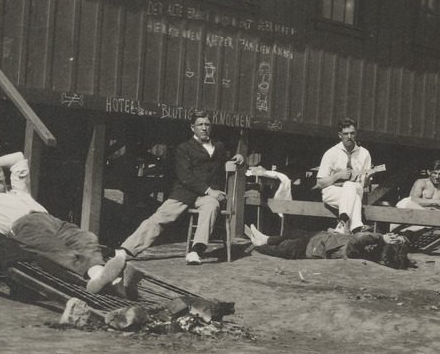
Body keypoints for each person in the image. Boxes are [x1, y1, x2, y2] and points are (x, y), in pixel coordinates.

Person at [0, 152, 129, 295]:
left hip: (52, 221)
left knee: (86, 238)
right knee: (57, 250)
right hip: (24, 227)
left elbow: (18, 157)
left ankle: (100, 276)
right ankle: (100, 278)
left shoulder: (18, 191)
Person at [117, 110, 244, 265]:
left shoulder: (219, 146)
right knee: (161, 217)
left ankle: (196, 250)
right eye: (200, 125)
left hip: (206, 197)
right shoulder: (184, 148)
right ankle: (126, 249)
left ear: (211, 127)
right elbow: (185, 177)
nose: (204, 128)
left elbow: (222, 162)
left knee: (212, 206)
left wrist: (237, 158)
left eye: (207, 124)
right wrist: (210, 191)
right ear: (192, 128)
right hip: (185, 192)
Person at [244, 224, 410, 269]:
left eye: (396, 240)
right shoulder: (374, 246)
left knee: (285, 249)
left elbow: (357, 239)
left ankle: (258, 245)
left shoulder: (363, 252)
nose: (393, 237)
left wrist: (382, 237)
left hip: (312, 249)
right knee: (294, 232)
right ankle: (265, 238)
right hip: (322, 238)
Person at [315, 118, 372, 234]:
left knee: (350, 186)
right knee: (353, 196)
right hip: (333, 191)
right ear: (340, 135)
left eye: (352, 133)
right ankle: (356, 227)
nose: (349, 136)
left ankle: (343, 221)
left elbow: (364, 185)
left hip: (356, 189)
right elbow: (320, 183)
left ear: (356, 133)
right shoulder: (331, 153)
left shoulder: (364, 153)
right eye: (346, 134)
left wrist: (367, 179)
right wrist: (337, 175)